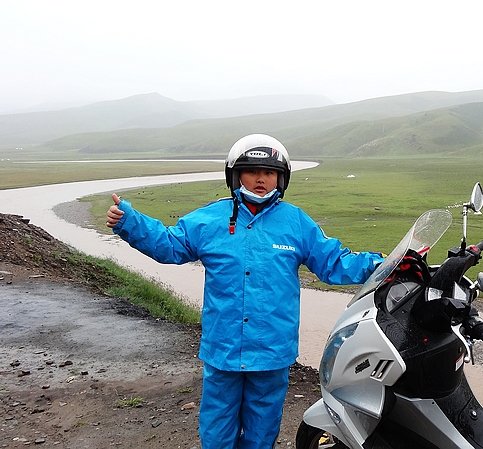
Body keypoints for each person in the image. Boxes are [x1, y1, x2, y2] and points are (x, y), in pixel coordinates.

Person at [105, 133, 384, 448]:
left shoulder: (295, 222)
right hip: (223, 348)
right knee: (217, 429)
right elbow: (170, 245)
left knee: (261, 431)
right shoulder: (210, 219)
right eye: (252, 171)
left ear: (281, 178)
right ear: (236, 175)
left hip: (272, 351)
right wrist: (129, 221)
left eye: (269, 173)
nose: (261, 179)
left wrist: (386, 264)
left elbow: (334, 262)